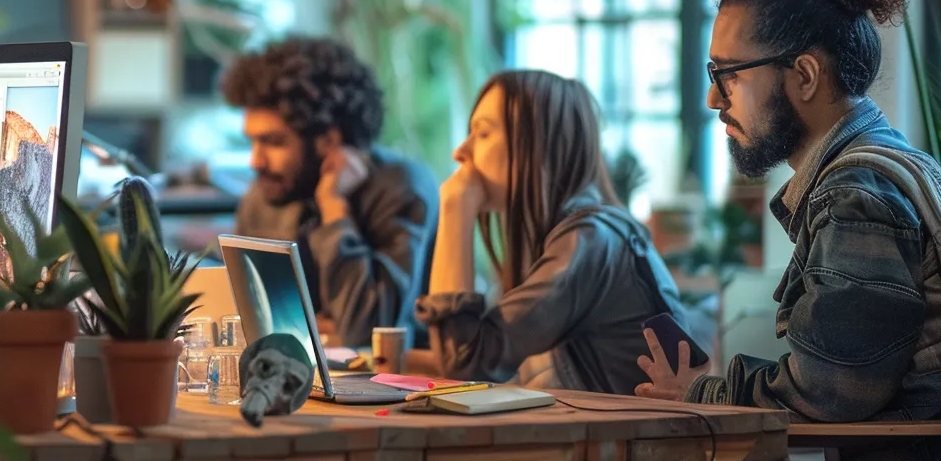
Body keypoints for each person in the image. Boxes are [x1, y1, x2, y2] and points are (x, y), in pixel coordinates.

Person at [635, 0, 941, 435]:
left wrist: (700, 392)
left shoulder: (855, 195)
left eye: (727, 74)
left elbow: (832, 391)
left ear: (804, 75)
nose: (714, 99)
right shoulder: (886, 162)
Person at [414, 70, 689, 394]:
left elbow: (463, 363)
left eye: (483, 133)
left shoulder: (588, 241)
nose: (461, 152)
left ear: (539, 144)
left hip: (627, 441)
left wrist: (454, 209)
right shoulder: (583, 234)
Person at [222, 37, 438, 348]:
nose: (255, 161)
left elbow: (367, 335)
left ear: (328, 140)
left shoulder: (401, 187)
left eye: (273, 142)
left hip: (403, 389)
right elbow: (252, 322)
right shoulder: (264, 197)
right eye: (252, 142)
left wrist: (334, 209)